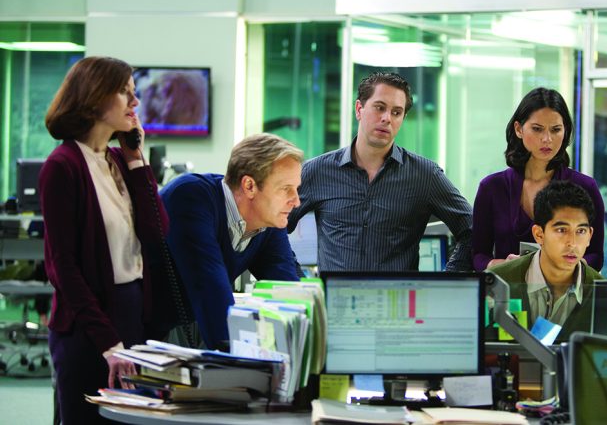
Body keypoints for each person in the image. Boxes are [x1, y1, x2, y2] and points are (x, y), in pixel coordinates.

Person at [40, 56, 167, 423]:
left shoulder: (116, 160)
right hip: (87, 330)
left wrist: (135, 159)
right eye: (125, 92)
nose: (135, 102)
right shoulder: (63, 166)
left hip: (132, 319)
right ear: (95, 98)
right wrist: (108, 344)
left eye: (134, 92)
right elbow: (62, 268)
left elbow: (157, 232)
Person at [287, 72, 473, 272]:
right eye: (379, 108)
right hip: (334, 300)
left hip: (399, 300)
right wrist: (294, 277)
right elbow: (272, 225)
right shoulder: (318, 171)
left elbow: (473, 229)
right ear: (359, 109)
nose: (387, 119)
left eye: (396, 112)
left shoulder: (425, 175)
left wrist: (448, 280)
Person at [160, 133, 301, 350]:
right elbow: (211, 294)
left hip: (194, 327)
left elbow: (290, 294)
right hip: (144, 336)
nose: (296, 201)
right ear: (249, 186)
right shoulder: (190, 197)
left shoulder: (267, 221)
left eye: (296, 189)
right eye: (286, 189)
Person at [472, 87, 605, 272]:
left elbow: (596, 255)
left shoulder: (585, 187)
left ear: (565, 131)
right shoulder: (491, 187)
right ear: (518, 129)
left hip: (565, 294)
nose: (547, 139)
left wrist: (565, 267)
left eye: (556, 129)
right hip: (508, 294)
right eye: (537, 129)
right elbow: (478, 255)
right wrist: (500, 265)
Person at [488, 180, 603, 342]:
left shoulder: (604, 293)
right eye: (562, 230)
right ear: (539, 234)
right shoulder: (497, 282)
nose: (572, 242)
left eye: (581, 231)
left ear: (590, 236)